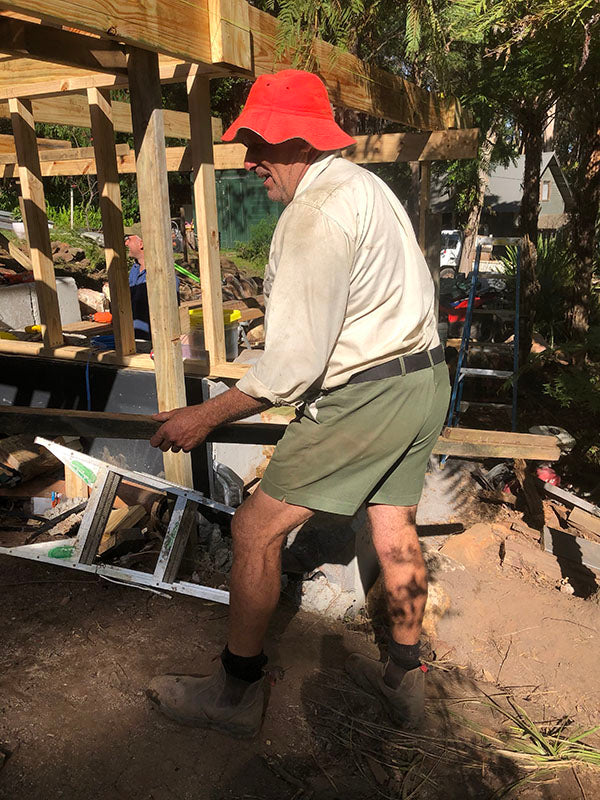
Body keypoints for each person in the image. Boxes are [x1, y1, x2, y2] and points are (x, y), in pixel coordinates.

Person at [146, 70, 450, 738]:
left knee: (255, 529)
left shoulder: (314, 213)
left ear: (299, 143)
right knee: (393, 520)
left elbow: (293, 365)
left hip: (369, 393)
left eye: (258, 141)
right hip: (423, 380)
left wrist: (203, 416)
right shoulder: (364, 187)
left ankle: (236, 692)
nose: (250, 158)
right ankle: (404, 676)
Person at [125, 231, 180, 340]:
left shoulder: (162, 273)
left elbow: (170, 308)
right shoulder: (135, 269)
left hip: (155, 340)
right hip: (134, 336)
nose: (126, 244)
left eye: (129, 239)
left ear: (142, 244)